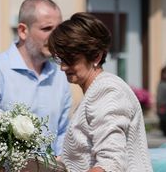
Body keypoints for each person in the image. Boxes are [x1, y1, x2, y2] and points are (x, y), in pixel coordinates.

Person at [48, 12, 152, 172]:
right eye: (60, 59)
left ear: (96, 56)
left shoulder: (107, 92)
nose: (63, 67)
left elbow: (110, 164)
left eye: (70, 59)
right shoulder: (96, 90)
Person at [0, 0, 71, 156]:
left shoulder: (60, 74)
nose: (56, 37)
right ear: (22, 30)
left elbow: (63, 132)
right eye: (47, 29)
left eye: (59, 29)